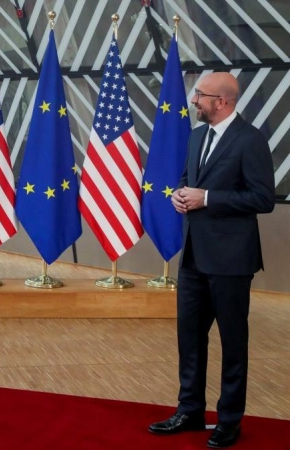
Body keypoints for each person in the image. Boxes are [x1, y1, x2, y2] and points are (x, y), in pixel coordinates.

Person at [149, 72, 275, 448]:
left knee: (233, 342)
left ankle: (230, 420)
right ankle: (189, 410)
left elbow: (262, 199)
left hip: (232, 261)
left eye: (200, 95)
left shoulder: (250, 140)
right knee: (189, 338)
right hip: (193, 259)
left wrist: (210, 199)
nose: (194, 100)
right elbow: (190, 180)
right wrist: (179, 194)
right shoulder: (197, 135)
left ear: (222, 101)